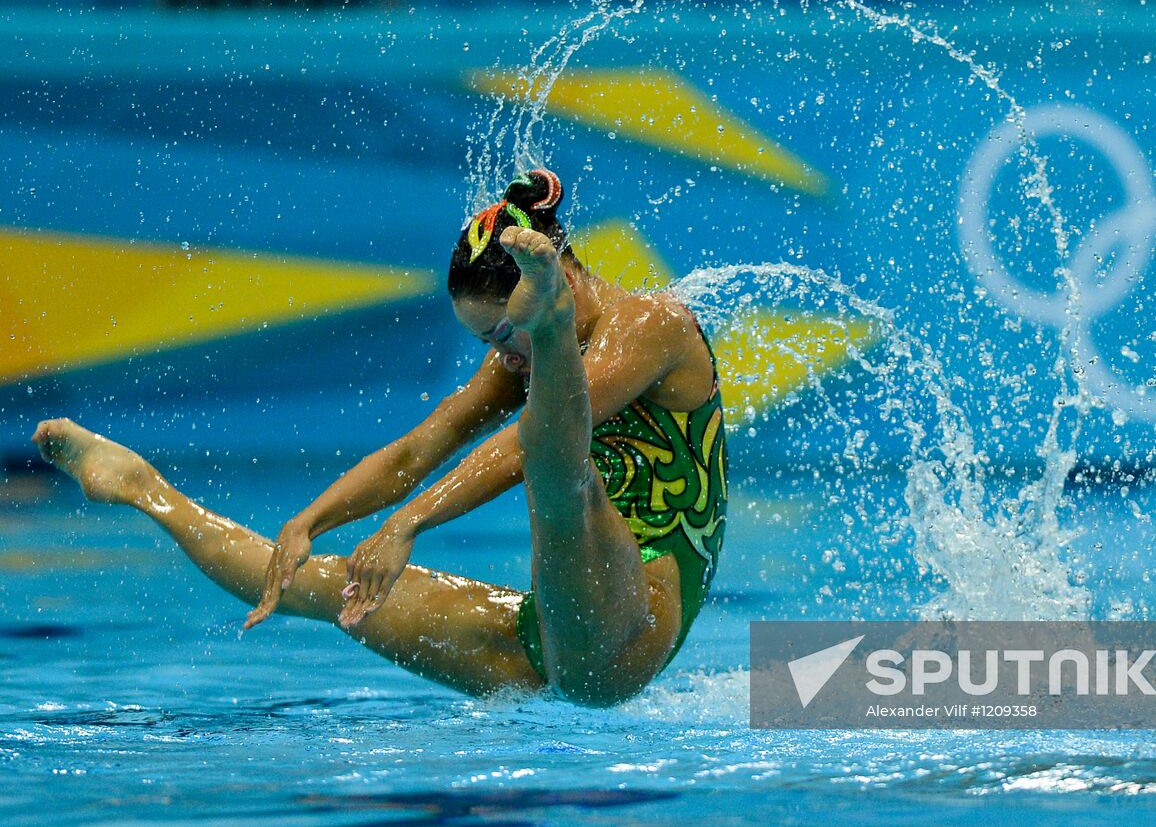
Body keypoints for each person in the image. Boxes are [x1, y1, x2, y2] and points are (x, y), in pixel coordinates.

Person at [31, 168, 728, 706]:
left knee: (565, 476)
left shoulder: (650, 326)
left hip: (631, 630)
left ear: (566, 272)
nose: (504, 355)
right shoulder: (516, 363)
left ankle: (548, 328)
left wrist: (408, 522)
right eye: (493, 340)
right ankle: (142, 488)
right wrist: (310, 521)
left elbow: (526, 450)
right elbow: (418, 448)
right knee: (324, 585)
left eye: (512, 333)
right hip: (553, 641)